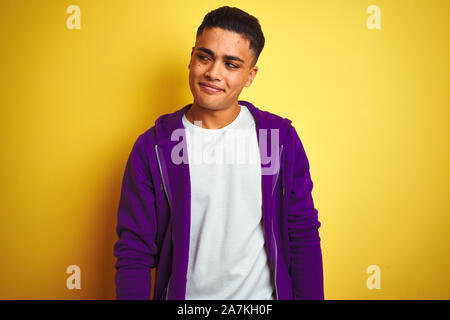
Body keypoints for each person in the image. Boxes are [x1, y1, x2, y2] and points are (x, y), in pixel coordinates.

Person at [113, 6, 324, 300]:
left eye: (232, 64)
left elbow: (301, 232)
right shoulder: (155, 148)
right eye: (205, 57)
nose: (213, 73)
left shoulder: (275, 139)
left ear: (250, 75)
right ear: (191, 58)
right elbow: (134, 251)